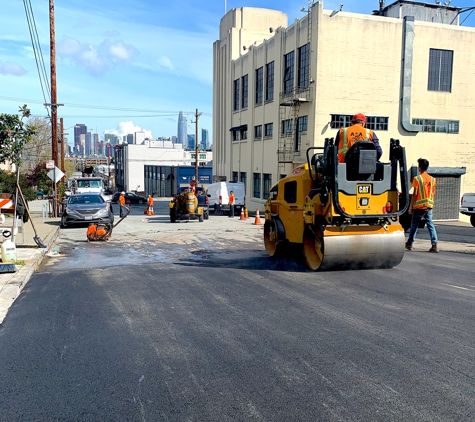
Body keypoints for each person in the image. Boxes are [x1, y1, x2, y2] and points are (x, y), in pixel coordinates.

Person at [405, 158, 439, 253]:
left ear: (419, 168)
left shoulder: (417, 179)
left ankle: (409, 244)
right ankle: (434, 244)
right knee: (430, 225)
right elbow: (434, 194)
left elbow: (415, 194)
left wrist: (410, 207)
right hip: (429, 206)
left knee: (414, 225)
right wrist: (432, 205)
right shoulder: (433, 180)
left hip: (419, 207)